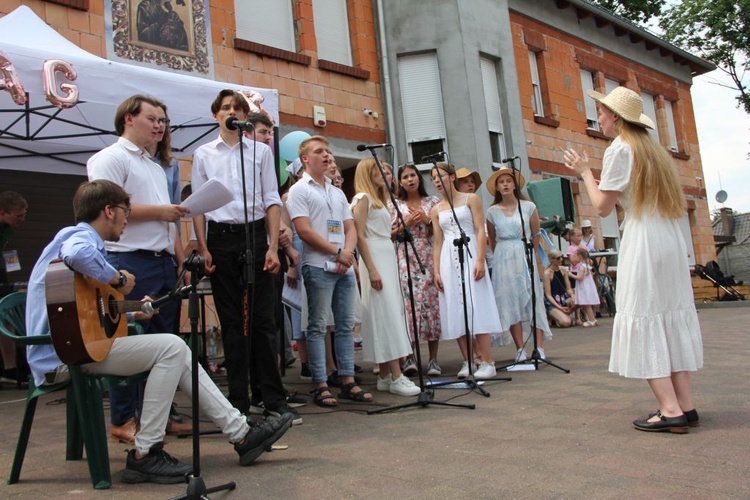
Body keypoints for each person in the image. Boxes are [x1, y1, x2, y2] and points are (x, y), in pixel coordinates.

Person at [25, 180, 293, 484]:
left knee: (175, 351)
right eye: (125, 212)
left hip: (73, 347)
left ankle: (241, 434)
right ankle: (146, 453)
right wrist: (117, 278)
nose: (127, 220)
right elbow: (78, 256)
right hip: (61, 356)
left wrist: (128, 307)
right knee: (171, 347)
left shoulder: (76, 242)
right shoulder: (78, 237)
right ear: (108, 210)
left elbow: (84, 309)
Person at [563, 86, 703, 433]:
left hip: (643, 239)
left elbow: (601, 207)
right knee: (668, 315)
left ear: (617, 117)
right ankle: (686, 405)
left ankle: (669, 409)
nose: (600, 116)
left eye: (604, 111)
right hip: (668, 237)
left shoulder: (618, 149)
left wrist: (583, 172)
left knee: (643, 313)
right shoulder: (653, 152)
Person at [191, 90, 299, 424]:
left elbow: (271, 198)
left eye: (238, 108)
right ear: (216, 115)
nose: (232, 112)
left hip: (254, 233)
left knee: (264, 321)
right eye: (226, 108)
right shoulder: (204, 154)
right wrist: (203, 246)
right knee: (233, 323)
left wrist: (271, 246)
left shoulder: (259, 152)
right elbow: (198, 205)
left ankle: (272, 398)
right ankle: (237, 401)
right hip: (221, 237)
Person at [87, 95, 190, 443]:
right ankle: (123, 419)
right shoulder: (110, 158)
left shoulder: (156, 165)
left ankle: (156, 416)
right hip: (127, 260)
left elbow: (169, 221)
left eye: (163, 120)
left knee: (164, 340)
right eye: (153, 118)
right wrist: (162, 211)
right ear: (129, 118)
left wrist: (179, 259)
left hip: (161, 261)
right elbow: (108, 208)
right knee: (130, 341)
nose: (160, 125)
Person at [287, 136, 370, 406]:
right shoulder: (301, 190)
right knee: (318, 326)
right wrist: (339, 253)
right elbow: (304, 230)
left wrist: (346, 254)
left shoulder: (336, 192)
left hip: (342, 264)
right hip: (318, 264)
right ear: (305, 159)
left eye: (328, 151)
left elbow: (350, 227)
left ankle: (347, 380)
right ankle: (321, 383)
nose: (326, 156)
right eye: (318, 151)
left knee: (345, 325)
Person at [352, 158, 419, 396]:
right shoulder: (363, 199)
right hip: (375, 257)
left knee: (389, 312)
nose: (383, 174)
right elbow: (359, 235)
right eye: (376, 170)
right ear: (367, 174)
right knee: (386, 313)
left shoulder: (379, 200)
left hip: (385, 254)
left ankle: (385, 375)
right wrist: (371, 269)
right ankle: (396, 375)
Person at [430, 162, 501, 379]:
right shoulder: (436, 209)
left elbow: (480, 230)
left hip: (469, 250)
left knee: (476, 304)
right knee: (456, 307)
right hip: (448, 258)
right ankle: (468, 361)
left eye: (439, 175)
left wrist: (480, 259)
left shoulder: (471, 199)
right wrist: (436, 271)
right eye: (433, 177)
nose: (436, 181)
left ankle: (487, 361)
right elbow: (437, 242)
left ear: (451, 177)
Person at [485, 167, 552, 362]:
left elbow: (536, 234)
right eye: (501, 182)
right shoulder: (492, 211)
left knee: (533, 298)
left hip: (524, 253)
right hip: (503, 257)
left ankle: (539, 347)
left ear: (515, 184)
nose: (505, 184)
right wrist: (502, 254)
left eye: (508, 180)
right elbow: (492, 239)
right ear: (497, 187)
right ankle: (519, 348)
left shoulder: (528, 207)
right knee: (509, 300)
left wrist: (529, 253)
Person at [391, 163, 442, 376]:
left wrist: (427, 220)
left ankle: (433, 359)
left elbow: (441, 230)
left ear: (419, 179)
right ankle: (410, 357)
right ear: (400, 182)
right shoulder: (394, 204)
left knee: (431, 303)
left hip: (428, 255)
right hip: (405, 255)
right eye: (405, 177)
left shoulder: (433, 202)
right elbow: (390, 233)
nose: (410, 180)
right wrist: (408, 222)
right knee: (409, 304)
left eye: (413, 175)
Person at [0, 191, 28, 384]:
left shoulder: (5, 230)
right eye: (18, 216)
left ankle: (10, 368)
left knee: (7, 316)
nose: (22, 220)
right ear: (2, 213)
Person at [542, 249, 574, 328]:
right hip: (553, 302)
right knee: (566, 322)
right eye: (558, 258)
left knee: (578, 300)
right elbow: (548, 295)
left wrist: (572, 296)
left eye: (562, 257)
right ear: (551, 259)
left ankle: (572, 317)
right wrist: (559, 307)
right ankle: (552, 316)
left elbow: (568, 288)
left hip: (563, 298)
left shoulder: (563, 270)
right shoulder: (547, 273)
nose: (561, 260)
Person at [570, 247, 599, 327]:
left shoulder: (582, 267)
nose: (574, 258)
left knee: (587, 304)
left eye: (575, 256)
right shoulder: (587, 266)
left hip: (584, 287)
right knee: (587, 304)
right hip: (587, 286)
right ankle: (592, 319)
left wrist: (570, 274)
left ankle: (592, 320)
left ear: (580, 257)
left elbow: (580, 278)